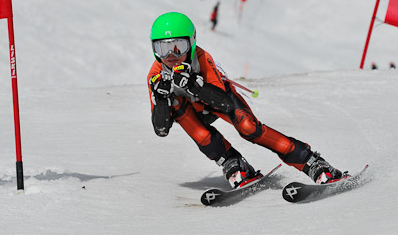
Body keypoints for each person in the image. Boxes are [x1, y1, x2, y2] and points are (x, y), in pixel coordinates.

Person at [147, 12, 344, 189]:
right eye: (162, 48)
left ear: (191, 43)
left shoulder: (201, 57)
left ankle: (310, 161)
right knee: (200, 134)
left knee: (249, 127)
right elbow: (161, 130)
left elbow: (223, 102)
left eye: (177, 47)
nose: (171, 55)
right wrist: (161, 99)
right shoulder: (155, 76)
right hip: (191, 112)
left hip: (214, 100)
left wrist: (193, 85)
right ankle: (232, 163)